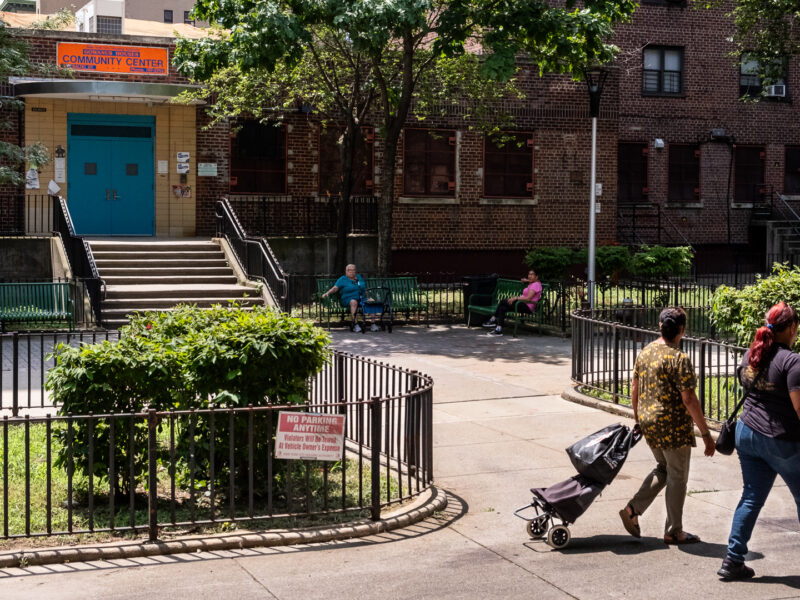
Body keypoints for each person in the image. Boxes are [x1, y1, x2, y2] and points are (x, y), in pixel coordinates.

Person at [618, 307, 715, 544]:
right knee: (677, 476)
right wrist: (706, 434)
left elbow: (634, 387)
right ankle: (674, 531)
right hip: (673, 426)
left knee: (664, 469)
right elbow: (689, 399)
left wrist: (638, 418)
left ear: (660, 326)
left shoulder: (646, 352)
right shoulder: (679, 359)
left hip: (649, 422)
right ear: (682, 329)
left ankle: (632, 510)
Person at [717, 302, 800, 581]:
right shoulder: (792, 362)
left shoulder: (751, 354)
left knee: (751, 496)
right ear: (790, 328)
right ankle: (733, 560)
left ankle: (733, 560)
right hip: (779, 440)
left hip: (746, 432)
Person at [482, 269, 542, 336]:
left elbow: (528, 299)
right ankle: (498, 330)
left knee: (503, 301)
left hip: (526, 306)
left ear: (536, 277)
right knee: (502, 308)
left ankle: (493, 318)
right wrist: (526, 280)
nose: (529, 276)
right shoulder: (533, 283)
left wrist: (516, 298)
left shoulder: (535, 285)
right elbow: (532, 282)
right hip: (521, 304)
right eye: (529, 274)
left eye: (532, 274)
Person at [321, 264, 376, 332]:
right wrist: (327, 293)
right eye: (350, 270)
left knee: (371, 302)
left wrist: (367, 298)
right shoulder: (342, 279)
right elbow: (335, 288)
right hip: (348, 299)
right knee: (353, 301)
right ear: (346, 271)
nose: (352, 272)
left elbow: (364, 288)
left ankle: (373, 324)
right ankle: (356, 324)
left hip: (361, 298)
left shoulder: (359, 277)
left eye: (354, 270)